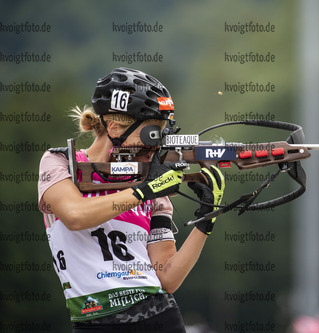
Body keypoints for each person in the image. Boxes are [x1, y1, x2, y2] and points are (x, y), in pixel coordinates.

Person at [37, 67, 225, 332]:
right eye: (149, 136)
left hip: (159, 317)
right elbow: (75, 216)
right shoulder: (59, 162)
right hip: (92, 321)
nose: (154, 148)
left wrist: (206, 218)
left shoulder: (150, 181)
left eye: (160, 137)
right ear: (114, 127)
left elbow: (167, 277)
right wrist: (142, 192)